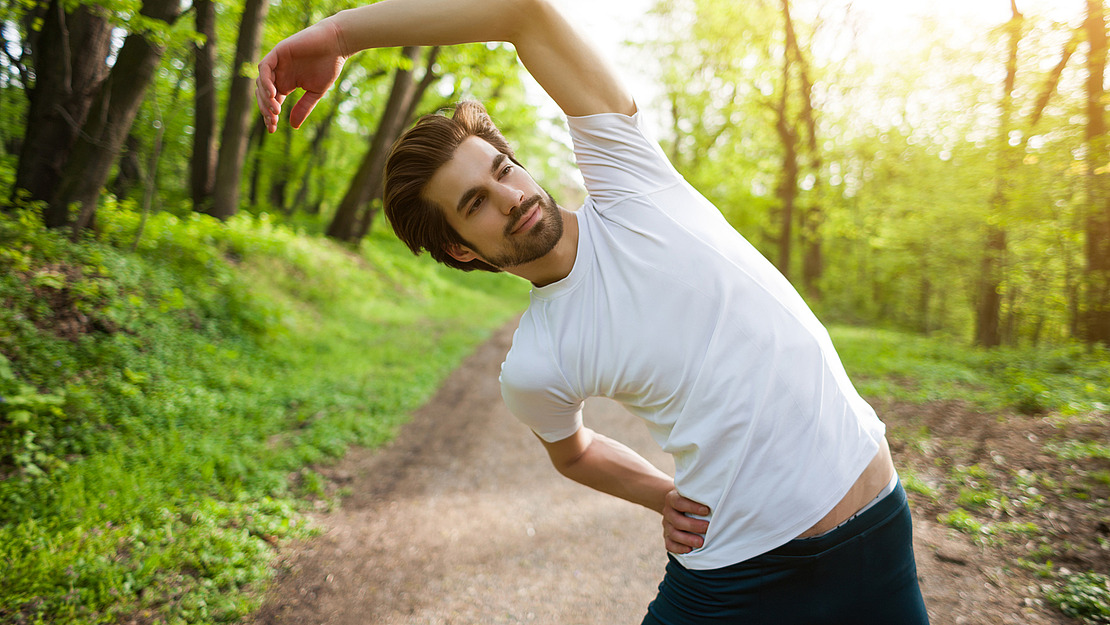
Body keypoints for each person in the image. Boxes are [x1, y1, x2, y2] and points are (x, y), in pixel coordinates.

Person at [256, 1, 931, 623]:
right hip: (732, 575)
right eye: (475, 204)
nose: (509, 196)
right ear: (463, 250)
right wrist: (662, 494)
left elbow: (523, 11)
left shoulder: (628, 176)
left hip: (874, 530)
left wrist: (341, 34)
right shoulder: (536, 361)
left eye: (501, 170)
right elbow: (573, 451)